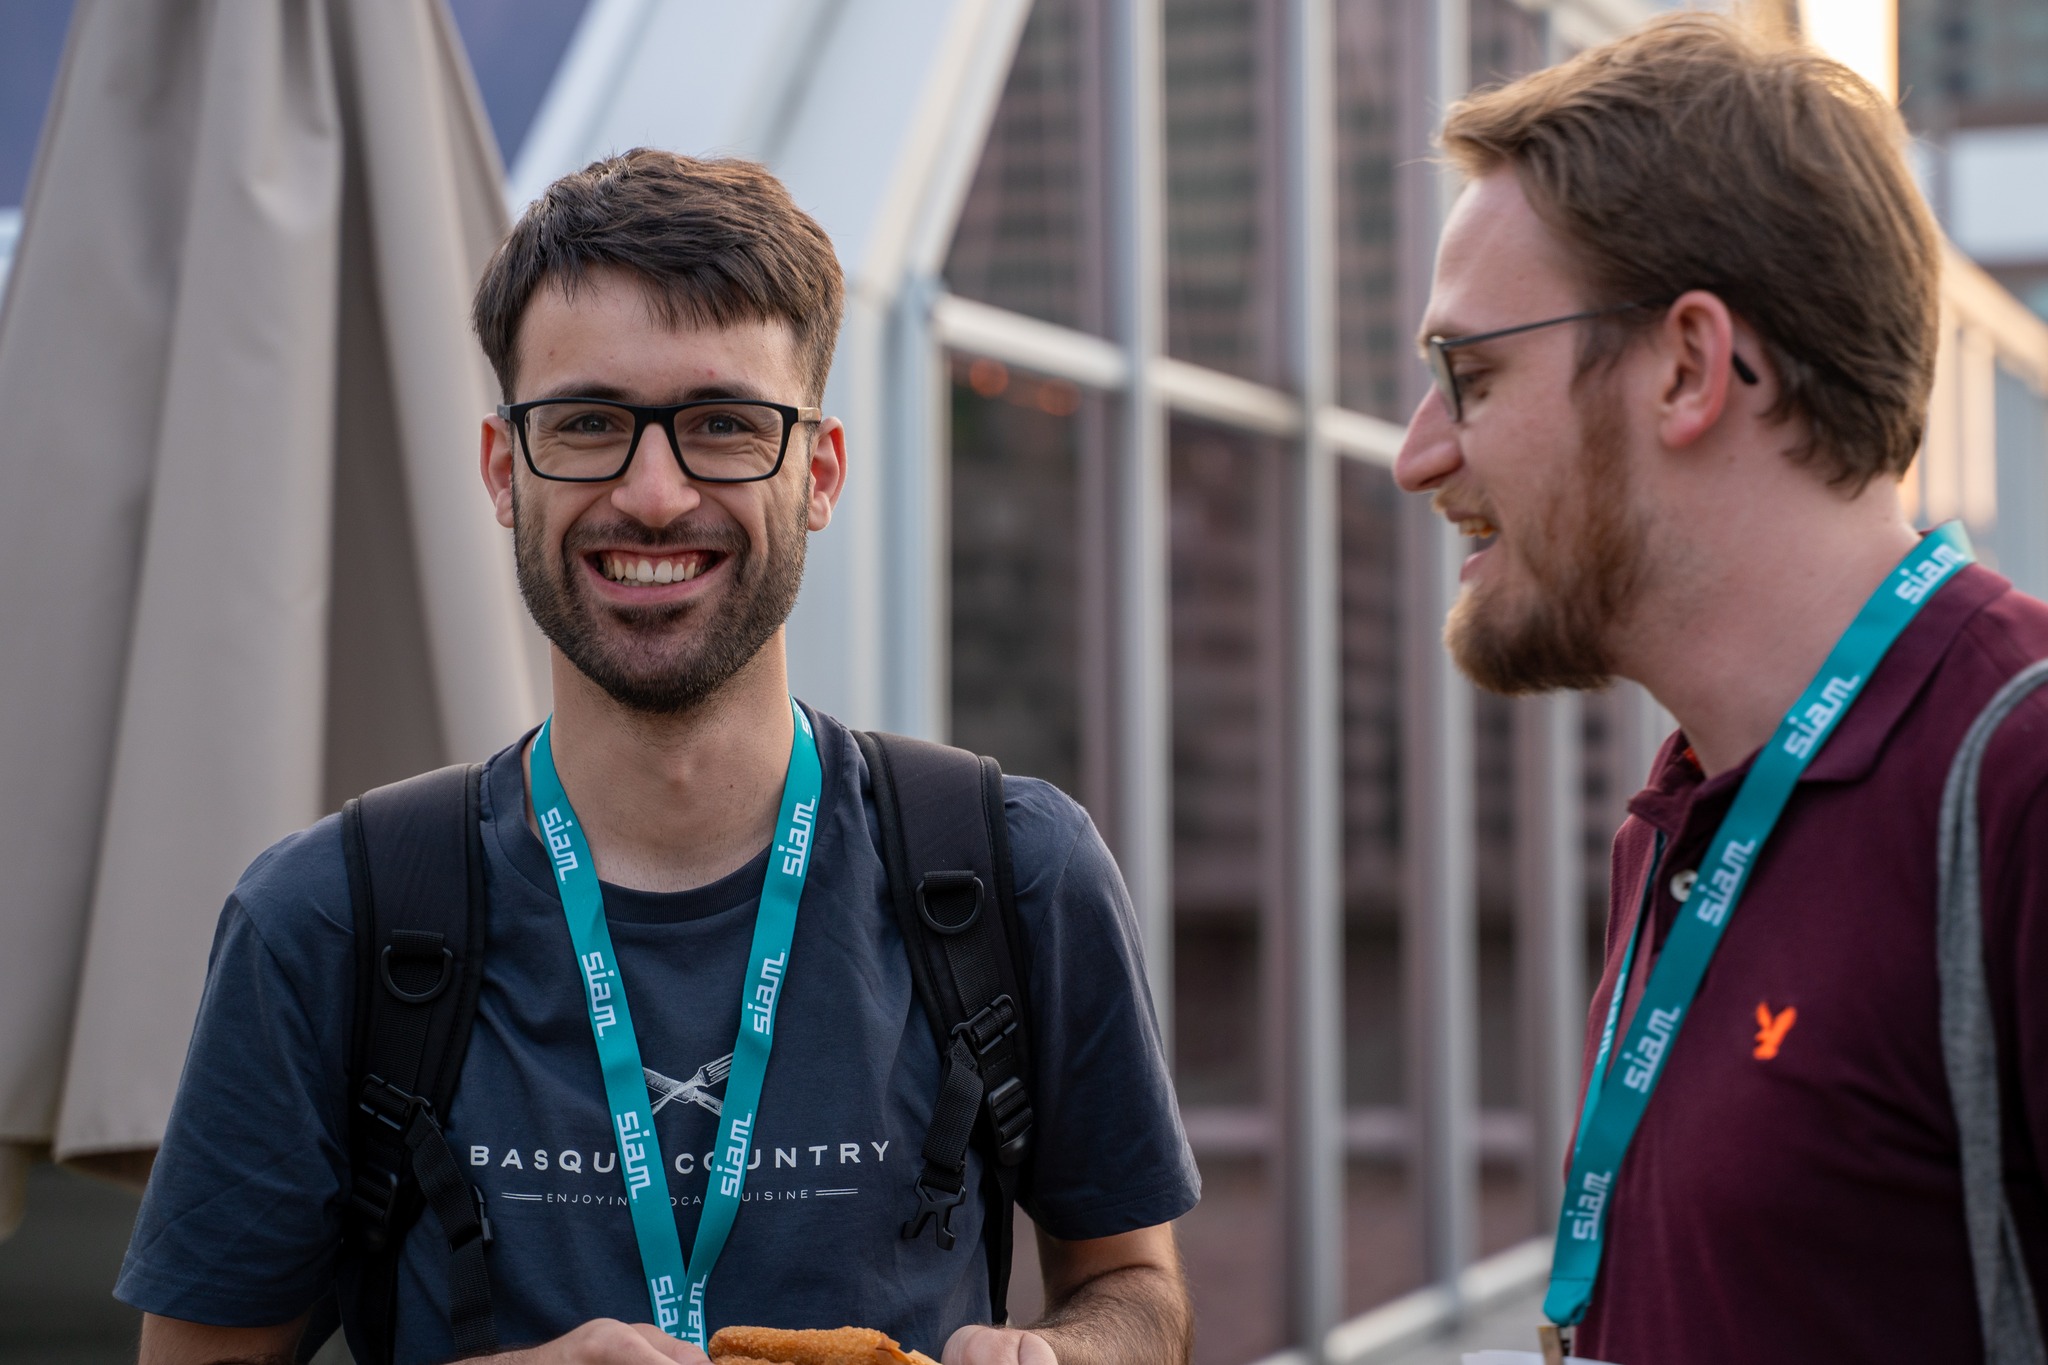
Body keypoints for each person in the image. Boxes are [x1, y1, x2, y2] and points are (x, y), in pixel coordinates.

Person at [116, 151, 1198, 1365]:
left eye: (722, 425)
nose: (653, 494)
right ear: (503, 470)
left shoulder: (1011, 870)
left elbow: (1135, 1286)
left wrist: (1065, 1356)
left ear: (818, 472)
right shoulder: (325, 920)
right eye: (586, 424)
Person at [1394, 14, 2048, 1365]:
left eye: (1470, 374)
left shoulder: (2022, 781)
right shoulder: (1681, 820)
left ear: (1688, 366)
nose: (1418, 455)